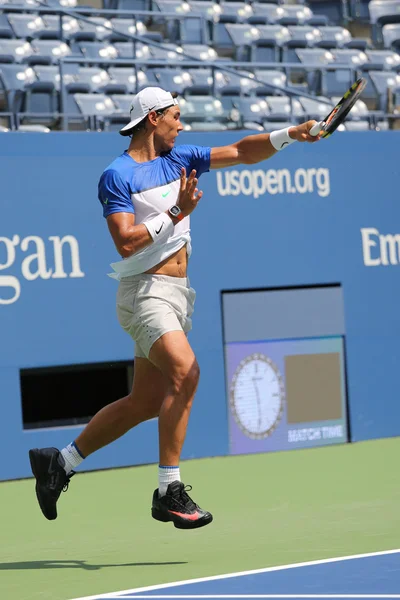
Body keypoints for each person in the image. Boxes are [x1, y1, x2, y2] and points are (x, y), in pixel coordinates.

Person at [29, 87, 320, 530]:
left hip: (178, 294)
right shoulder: (117, 174)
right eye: (176, 117)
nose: (181, 126)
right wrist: (177, 212)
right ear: (153, 117)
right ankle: (169, 490)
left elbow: (241, 151)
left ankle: (60, 463)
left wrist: (292, 135)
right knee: (187, 372)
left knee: (144, 401)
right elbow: (125, 242)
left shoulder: (178, 159)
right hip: (144, 293)